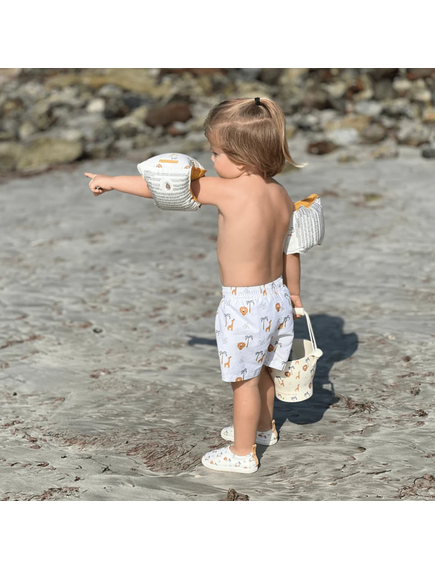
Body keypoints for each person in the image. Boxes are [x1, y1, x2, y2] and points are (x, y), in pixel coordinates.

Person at [85, 96, 305, 474]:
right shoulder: (280, 193)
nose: (212, 161)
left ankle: (242, 453)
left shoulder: (228, 190)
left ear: (241, 158)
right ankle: (263, 429)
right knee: (266, 368)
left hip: (244, 304)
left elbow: (165, 186)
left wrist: (113, 182)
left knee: (244, 380)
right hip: (277, 297)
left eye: (216, 153)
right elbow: (291, 250)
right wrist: (295, 294)